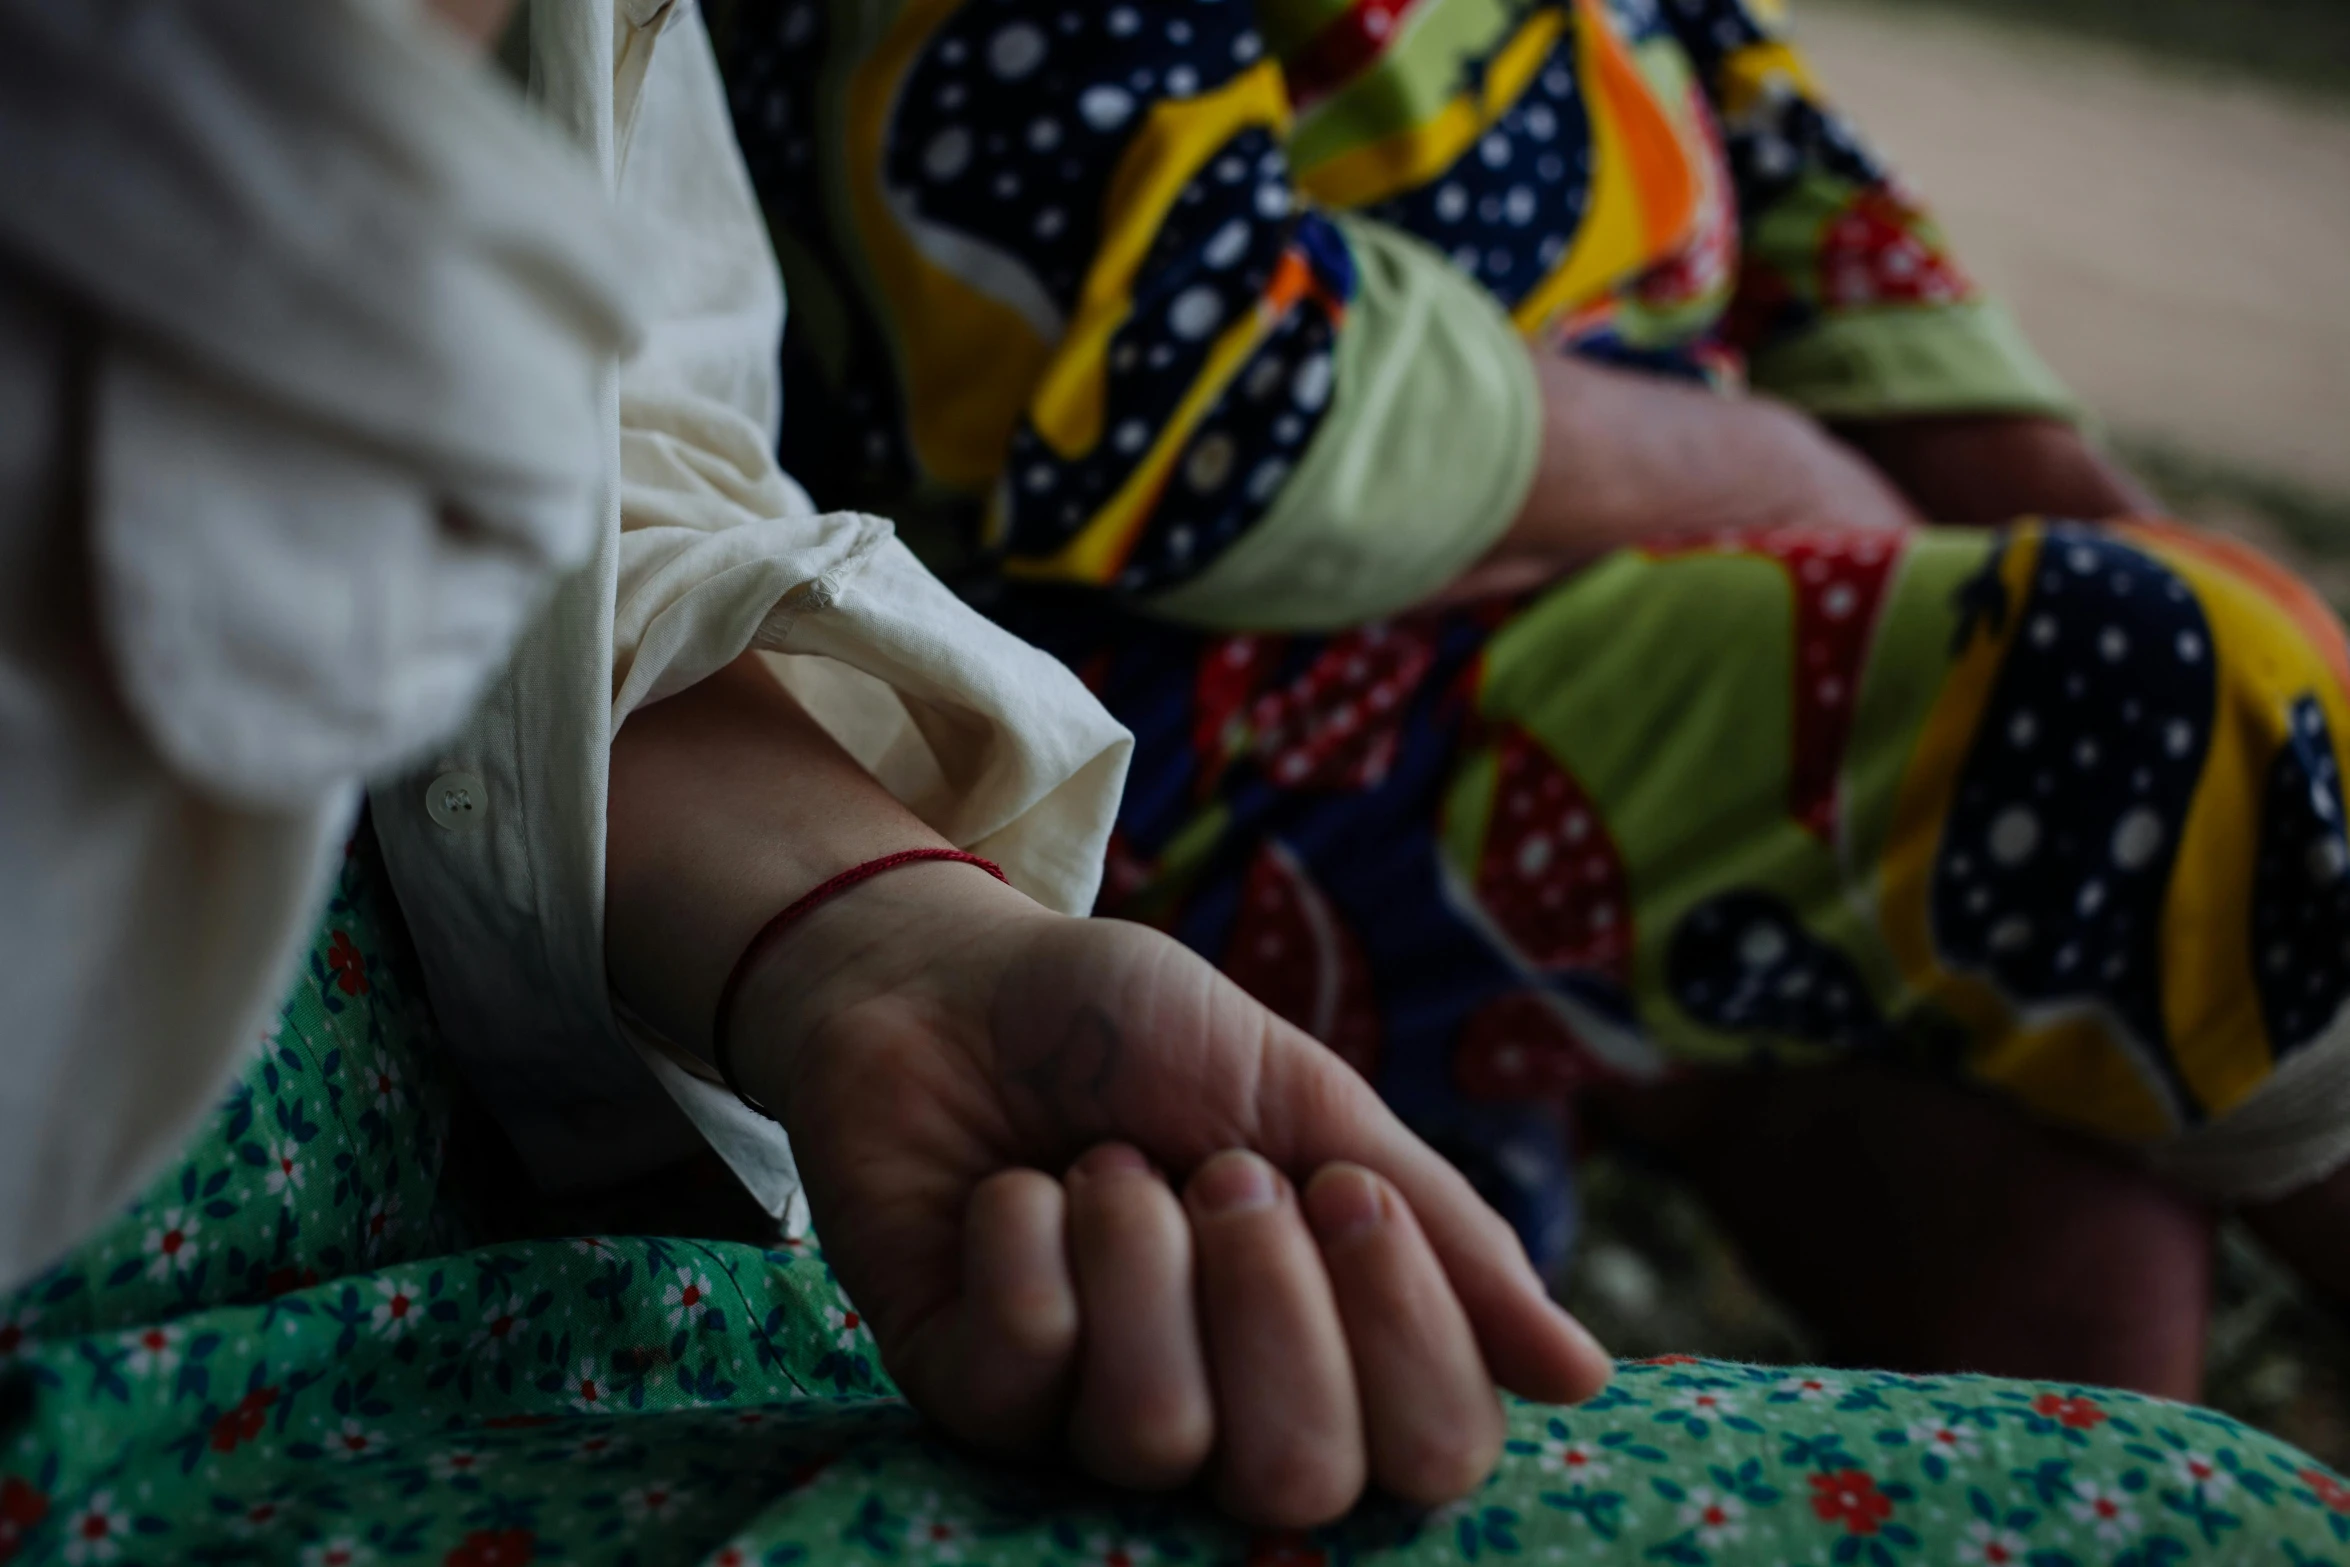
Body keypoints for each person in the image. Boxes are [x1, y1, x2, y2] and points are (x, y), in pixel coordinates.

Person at [0, 0, 2345, 1562]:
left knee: (2091, 1072)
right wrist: (1812, 496)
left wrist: (879, 938)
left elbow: (587, 502)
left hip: (590, 1199)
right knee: (2146, 726)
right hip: (1257, 750)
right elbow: (1163, 389)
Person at [708, 0, 2350, 1394]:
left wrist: (2067, 521)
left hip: (1545, 646)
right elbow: (1144, 386)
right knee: (2145, 719)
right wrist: (1776, 483)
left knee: (2093, 933)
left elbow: (1786, 178)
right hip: (1137, 748)